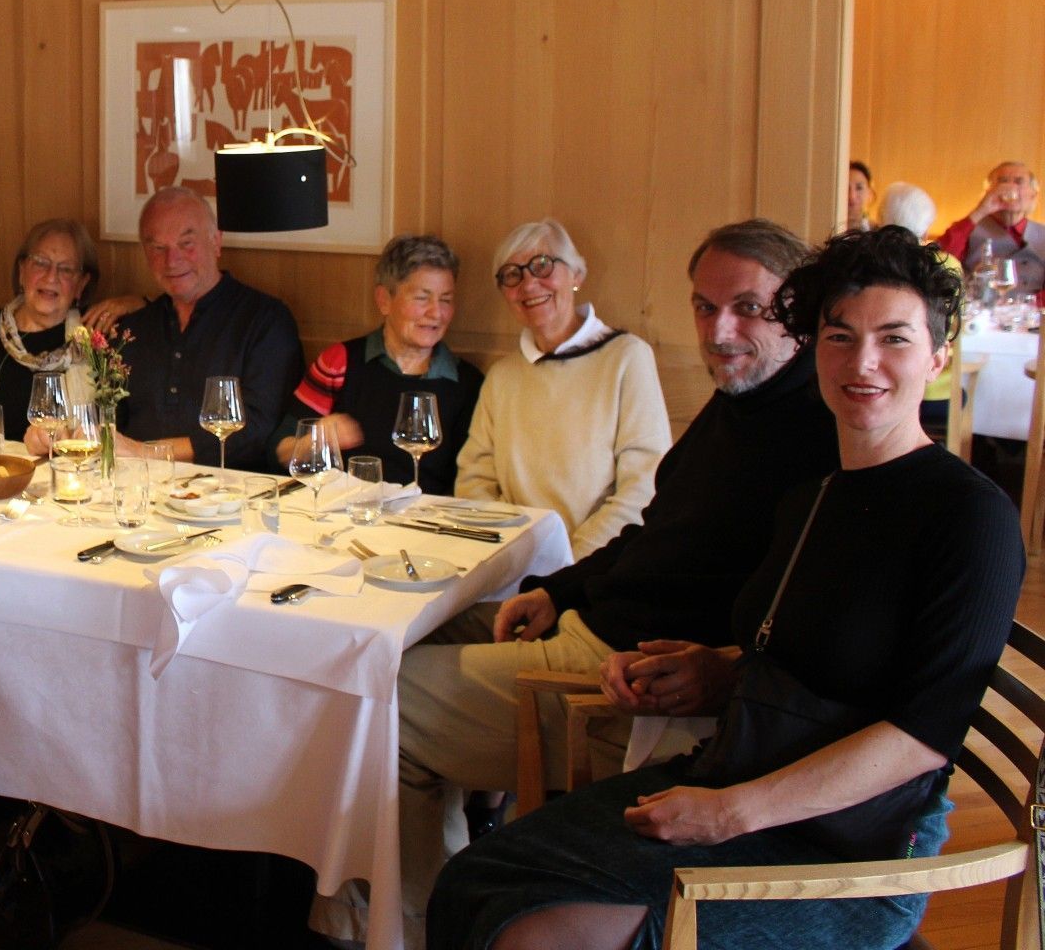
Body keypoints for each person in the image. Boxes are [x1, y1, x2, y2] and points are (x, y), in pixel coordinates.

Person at [427, 227, 1024, 950]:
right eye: (840, 336)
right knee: (471, 882)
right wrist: (711, 668)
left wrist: (729, 813)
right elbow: (807, 654)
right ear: (815, 348)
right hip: (740, 770)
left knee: (537, 931)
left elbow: (922, 736)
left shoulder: (971, 516)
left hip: (844, 850)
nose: (862, 362)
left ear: (938, 356)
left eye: (894, 339)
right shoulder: (820, 494)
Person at [352, 220, 839, 947]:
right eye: (705, 307)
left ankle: (413, 926)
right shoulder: (740, 401)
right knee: (380, 630)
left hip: (617, 676)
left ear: (799, 310)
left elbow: (793, 621)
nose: (719, 329)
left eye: (749, 307)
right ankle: (397, 895)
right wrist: (562, 590)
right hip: (580, 613)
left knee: (375, 698)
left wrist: (722, 667)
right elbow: (655, 533)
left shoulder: (814, 429)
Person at [453, 219, 668, 559]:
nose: (528, 284)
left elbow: (644, 485)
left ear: (576, 275)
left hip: (595, 566)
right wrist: (514, 555)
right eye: (512, 274)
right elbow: (474, 481)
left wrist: (568, 562)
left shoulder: (627, 358)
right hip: (511, 566)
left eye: (543, 265)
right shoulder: (503, 376)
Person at [271, 235, 482, 495]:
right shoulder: (340, 362)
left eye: (446, 300)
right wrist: (316, 440)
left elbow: (473, 481)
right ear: (384, 300)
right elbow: (279, 450)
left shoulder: (468, 384)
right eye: (422, 298)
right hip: (346, 516)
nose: (436, 313)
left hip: (428, 523)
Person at [110, 187, 302, 469]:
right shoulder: (133, 328)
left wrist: (146, 452)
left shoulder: (266, 320)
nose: (172, 260)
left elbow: (258, 429)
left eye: (186, 244)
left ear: (216, 242)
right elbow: (110, 417)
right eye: (158, 248)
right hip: (136, 486)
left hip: (229, 493)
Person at [0, 219, 99, 439]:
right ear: (22, 270)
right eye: (40, 263)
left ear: (81, 284)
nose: (51, 277)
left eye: (66, 269)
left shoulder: (93, 342)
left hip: (70, 468)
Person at [879, 183, 956, 435]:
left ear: (881, 218)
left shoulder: (863, 265)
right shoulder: (946, 266)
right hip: (935, 388)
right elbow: (955, 332)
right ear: (926, 224)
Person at [933, 160, 1044, 299]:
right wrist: (980, 211)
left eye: (1018, 182)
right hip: (980, 314)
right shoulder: (969, 229)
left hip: (1033, 315)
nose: (1010, 187)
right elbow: (939, 261)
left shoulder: (1042, 234)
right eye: (1002, 181)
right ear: (988, 191)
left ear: (1033, 194)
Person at [845, 160, 873, 231]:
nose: (852, 196)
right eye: (846, 188)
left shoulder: (878, 235)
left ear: (870, 194)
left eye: (859, 188)